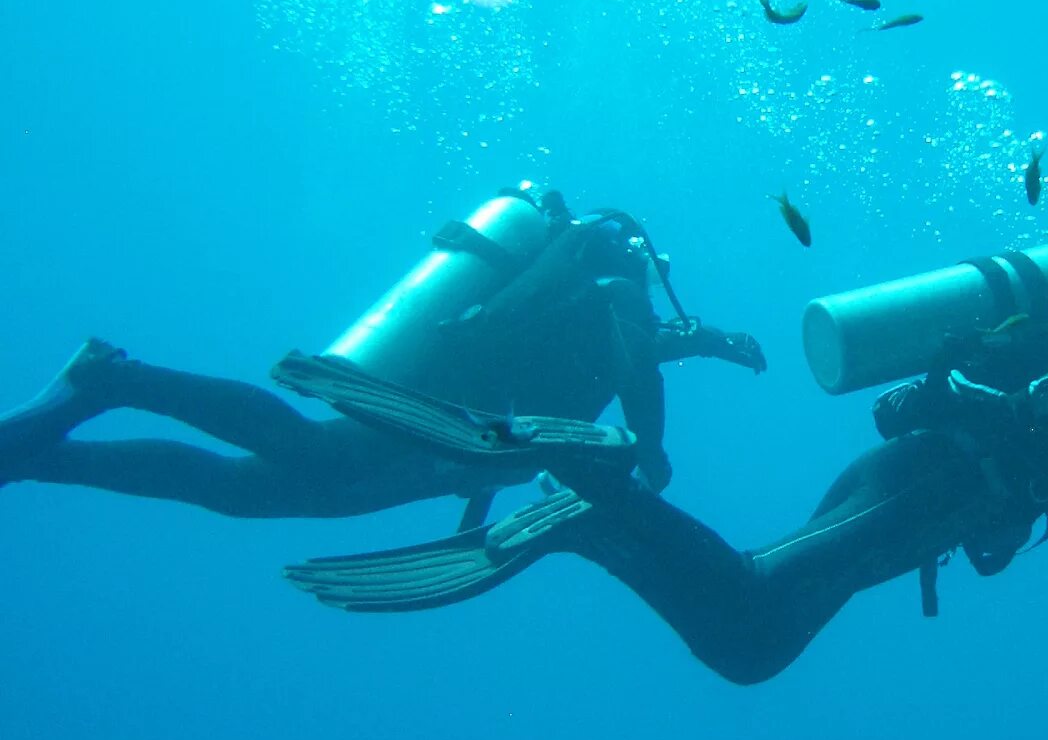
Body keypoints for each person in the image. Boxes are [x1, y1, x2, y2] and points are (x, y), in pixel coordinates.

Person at [272, 244, 1048, 685]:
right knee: (751, 603)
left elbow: (1019, 479)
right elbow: (1026, 413)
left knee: (751, 651)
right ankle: (588, 493)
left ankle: (584, 519)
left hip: (934, 491)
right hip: (932, 480)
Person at [0, 187, 766, 527]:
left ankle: (40, 457)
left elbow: (628, 361)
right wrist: (654, 451)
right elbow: (632, 356)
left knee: (253, 491)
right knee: (300, 452)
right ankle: (114, 378)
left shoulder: (591, 311)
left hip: (451, 447)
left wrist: (712, 344)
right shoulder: (613, 290)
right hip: (435, 421)